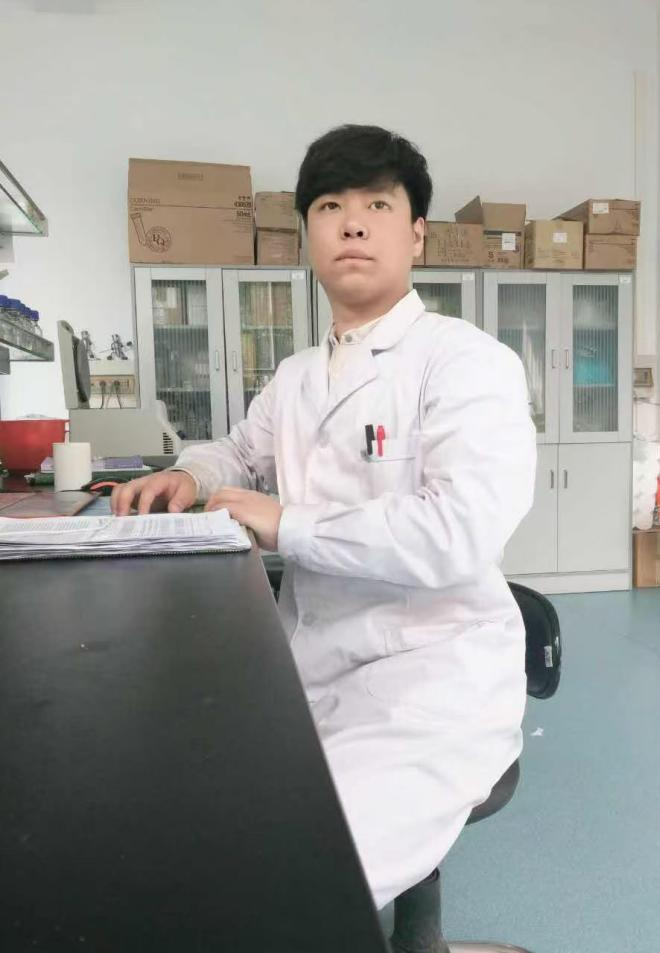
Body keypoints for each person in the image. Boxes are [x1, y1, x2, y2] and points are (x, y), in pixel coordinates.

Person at [112, 124, 536, 912]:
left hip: (429, 681)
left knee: (290, 884)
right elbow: (238, 453)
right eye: (330, 206)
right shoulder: (298, 374)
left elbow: (459, 532)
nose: (352, 224)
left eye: (377, 205)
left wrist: (288, 523)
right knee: (177, 818)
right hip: (307, 665)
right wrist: (188, 473)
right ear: (308, 233)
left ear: (416, 233)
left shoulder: (465, 360)